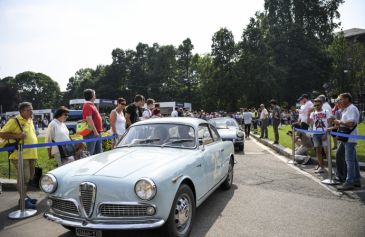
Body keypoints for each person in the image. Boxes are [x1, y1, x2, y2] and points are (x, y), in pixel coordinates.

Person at [0, 102, 38, 209]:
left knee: (29, 177)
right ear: (21, 111)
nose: (31, 111)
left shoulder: (30, 120)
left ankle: (25, 197)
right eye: (28, 110)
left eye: (32, 109)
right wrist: (18, 136)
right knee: (23, 178)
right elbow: (1, 134)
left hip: (32, 154)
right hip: (20, 155)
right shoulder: (14, 120)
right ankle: (23, 200)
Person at [333, 93, 361, 190]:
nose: (339, 101)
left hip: (350, 138)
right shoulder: (347, 109)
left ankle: (350, 181)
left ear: (347, 99)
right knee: (353, 160)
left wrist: (339, 122)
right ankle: (356, 180)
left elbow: (351, 123)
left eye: (340, 99)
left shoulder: (351, 109)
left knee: (349, 161)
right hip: (348, 138)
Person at [309, 98, 333, 174]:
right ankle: (322, 167)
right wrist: (308, 113)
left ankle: (330, 168)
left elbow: (330, 123)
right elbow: (308, 122)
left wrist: (326, 133)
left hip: (324, 133)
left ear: (322, 104)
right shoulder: (313, 113)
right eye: (315, 105)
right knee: (318, 152)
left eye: (318, 105)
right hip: (316, 134)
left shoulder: (326, 111)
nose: (316, 106)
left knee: (327, 151)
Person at [82, 89, 103, 155]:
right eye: (94, 94)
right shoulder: (87, 105)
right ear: (92, 95)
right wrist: (95, 131)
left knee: (98, 153)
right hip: (92, 133)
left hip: (95, 133)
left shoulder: (91, 105)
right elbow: (89, 119)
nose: (95, 96)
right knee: (90, 153)